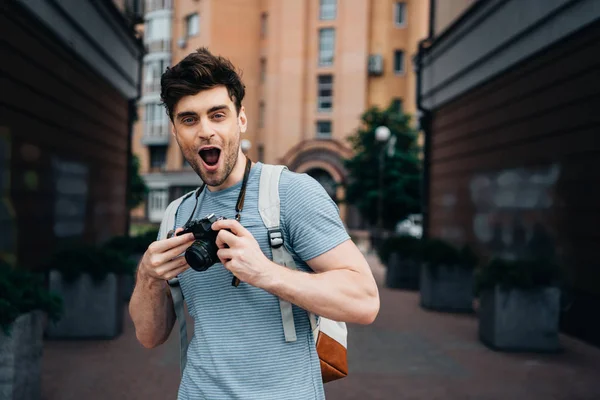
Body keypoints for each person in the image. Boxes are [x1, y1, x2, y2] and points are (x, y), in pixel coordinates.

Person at [129, 47, 380, 400]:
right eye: (189, 120)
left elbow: (365, 301)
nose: (205, 131)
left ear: (241, 120)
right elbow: (149, 336)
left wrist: (264, 272)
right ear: (175, 131)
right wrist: (148, 275)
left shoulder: (291, 193)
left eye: (217, 115)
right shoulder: (176, 215)